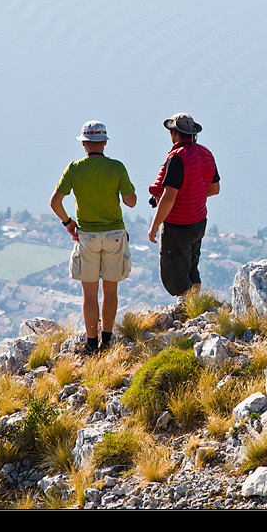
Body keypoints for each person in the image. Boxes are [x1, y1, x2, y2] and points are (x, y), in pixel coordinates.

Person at [50, 121, 137, 355]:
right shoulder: (117, 167)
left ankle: (91, 344)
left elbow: (55, 202)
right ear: (105, 142)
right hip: (115, 236)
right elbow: (131, 201)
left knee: (89, 294)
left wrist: (69, 223)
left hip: (86, 236)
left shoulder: (74, 169)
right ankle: (107, 341)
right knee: (111, 291)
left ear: (84, 144)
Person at [148, 113, 220, 298]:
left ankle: (189, 309)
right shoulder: (206, 153)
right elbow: (214, 189)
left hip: (178, 225)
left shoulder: (177, 158)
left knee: (176, 274)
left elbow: (169, 197)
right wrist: (192, 195)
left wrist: (155, 225)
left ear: (174, 134)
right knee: (191, 267)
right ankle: (197, 306)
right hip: (198, 222)